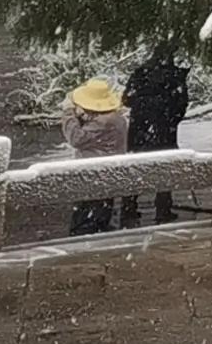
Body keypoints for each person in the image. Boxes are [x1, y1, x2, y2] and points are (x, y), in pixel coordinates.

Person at [120, 46, 190, 228]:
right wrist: (170, 119)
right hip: (165, 130)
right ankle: (163, 209)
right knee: (165, 169)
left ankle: (128, 209)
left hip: (139, 130)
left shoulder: (140, 73)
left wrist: (142, 110)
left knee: (135, 168)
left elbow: (126, 99)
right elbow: (181, 105)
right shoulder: (175, 77)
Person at [61, 76, 126, 234]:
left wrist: (68, 113)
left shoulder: (103, 122)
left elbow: (76, 138)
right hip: (109, 175)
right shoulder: (117, 119)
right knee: (100, 215)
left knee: (86, 220)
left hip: (94, 177)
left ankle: (83, 239)